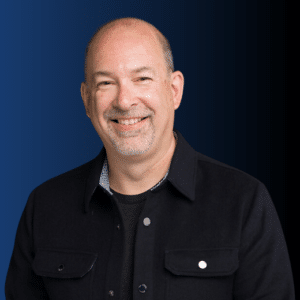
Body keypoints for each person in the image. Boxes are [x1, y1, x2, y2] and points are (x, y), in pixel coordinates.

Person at [5, 17, 294, 300]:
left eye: (142, 79)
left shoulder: (243, 201)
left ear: (174, 90)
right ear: (87, 100)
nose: (124, 100)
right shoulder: (44, 207)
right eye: (106, 83)